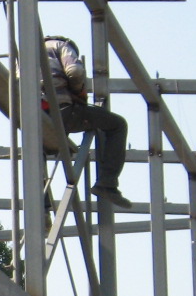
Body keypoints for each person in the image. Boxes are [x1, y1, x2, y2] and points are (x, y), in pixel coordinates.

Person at [43, 35, 131, 210]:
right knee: (118, 125)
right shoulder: (61, 46)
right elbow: (74, 71)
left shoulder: (22, 53)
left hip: (34, 117)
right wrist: (79, 92)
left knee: (38, 152)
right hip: (62, 110)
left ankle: (42, 201)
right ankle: (107, 183)